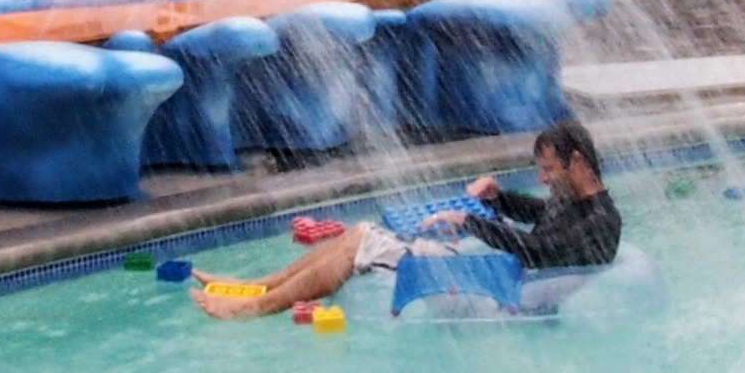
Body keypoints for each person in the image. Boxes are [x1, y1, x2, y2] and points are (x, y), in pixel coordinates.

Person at [189, 120, 622, 319]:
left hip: (488, 289)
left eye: (549, 170)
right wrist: (500, 197)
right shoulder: (577, 206)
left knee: (363, 243)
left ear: (577, 162)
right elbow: (543, 217)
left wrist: (470, 222)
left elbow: (542, 249)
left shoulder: (602, 220)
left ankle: (253, 309)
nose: (543, 179)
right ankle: (261, 285)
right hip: (492, 273)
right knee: (361, 231)